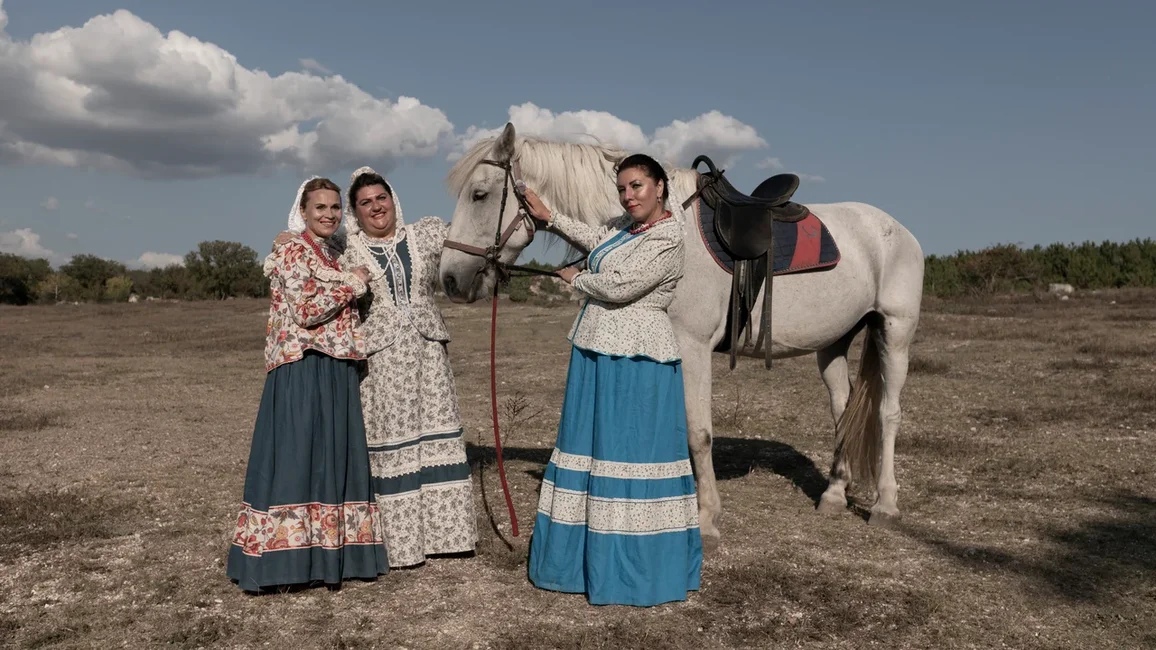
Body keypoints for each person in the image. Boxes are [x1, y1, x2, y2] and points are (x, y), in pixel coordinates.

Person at [518, 153, 702, 607]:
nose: (629, 195)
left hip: (637, 356)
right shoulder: (627, 227)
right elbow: (600, 238)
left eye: (637, 186)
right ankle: (581, 560)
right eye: (623, 188)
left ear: (660, 187)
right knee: (593, 450)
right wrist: (552, 218)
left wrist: (578, 279)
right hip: (597, 347)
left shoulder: (669, 236)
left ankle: (633, 567)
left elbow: (622, 285)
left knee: (629, 452)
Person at [226, 177, 389, 593]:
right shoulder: (294, 249)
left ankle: (330, 557)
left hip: (333, 365)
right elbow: (305, 309)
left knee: (328, 458)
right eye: (320, 208)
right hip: (304, 364)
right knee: (299, 456)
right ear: (303, 211)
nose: (329, 215)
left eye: (335, 208)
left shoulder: (328, 252)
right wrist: (354, 283)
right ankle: (287, 563)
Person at [336, 166, 477, 568]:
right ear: (355, 211)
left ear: (393, 198)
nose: (376, 207)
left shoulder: (425, 234)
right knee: (393, 439)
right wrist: (286, 237)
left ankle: (448, 536)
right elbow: (307, 245)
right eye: (365, 203)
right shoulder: (346, 250)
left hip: (428, 351)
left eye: (381, 197)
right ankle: (401, 545)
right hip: (382, 358)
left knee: (434, 430)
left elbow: (472, 235)